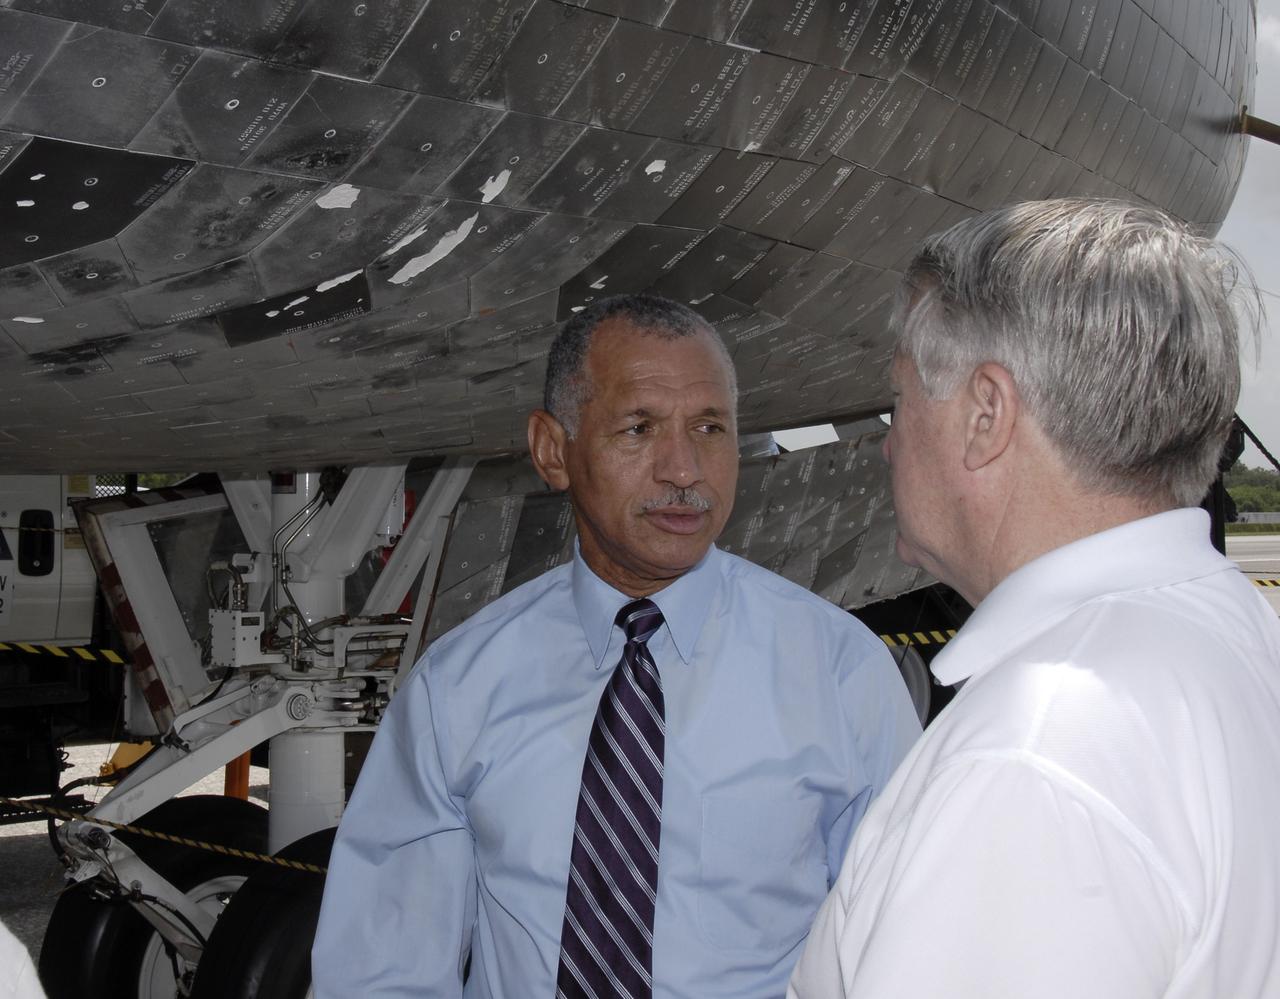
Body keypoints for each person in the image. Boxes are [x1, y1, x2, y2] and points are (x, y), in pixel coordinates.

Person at [312, 293, 921, 997]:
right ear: (552, 450)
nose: (685, 469)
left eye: (710, 427)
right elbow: (384, 969)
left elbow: (913, 949)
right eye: (639, 428)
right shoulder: (459, 688)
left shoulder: (841, 675)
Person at [789, 199, 1280, 999]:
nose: (889, 439)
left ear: (987, 414)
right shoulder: (1232, 631)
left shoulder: (1033, 758)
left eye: (901, 400)